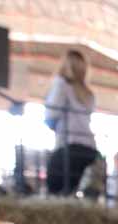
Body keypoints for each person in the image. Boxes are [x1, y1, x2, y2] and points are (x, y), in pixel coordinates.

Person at [44, 50, 97, 195]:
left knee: (54, 189)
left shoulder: (61, 85)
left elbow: (51, 113)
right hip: (88, 148)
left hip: (69, 144)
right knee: (69, 190)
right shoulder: (88, 93)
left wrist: (51, 124)